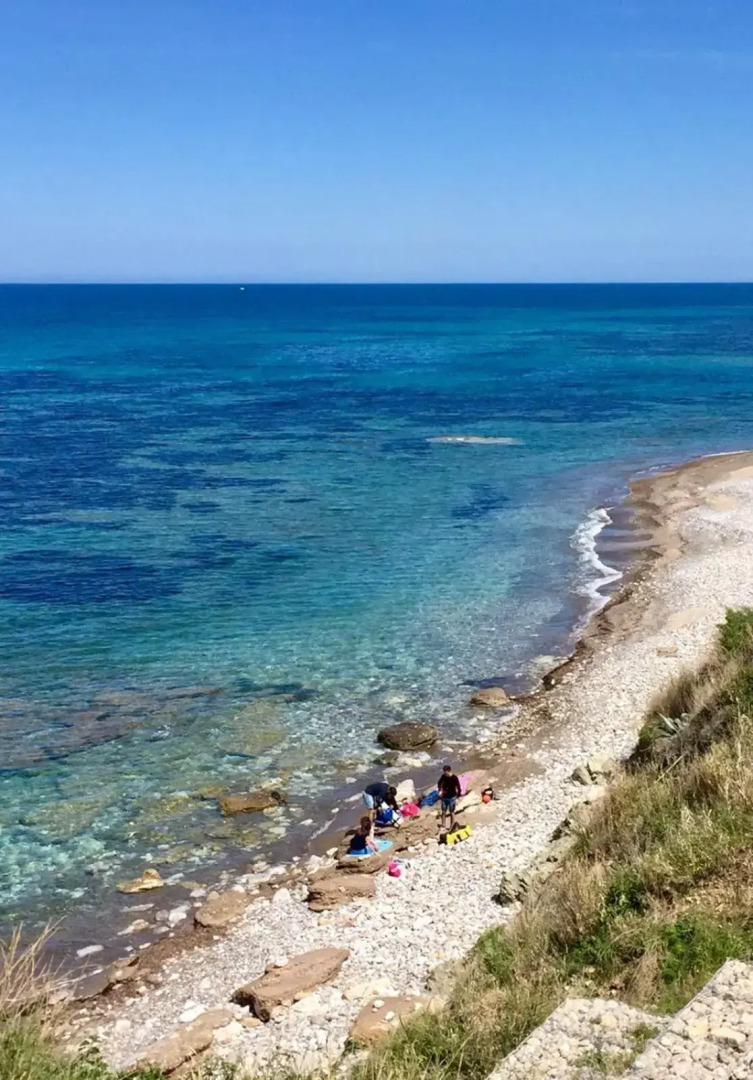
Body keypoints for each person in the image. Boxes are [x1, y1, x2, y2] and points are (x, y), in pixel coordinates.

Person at [437, 764, 462, 833]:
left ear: (449, 771)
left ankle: (452, 826)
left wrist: (459, 796)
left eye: (446, 772)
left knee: (452, 812)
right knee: (443, 811)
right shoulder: (443, 777)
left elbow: (458, 786)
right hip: (444, 796)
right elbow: (439, 783)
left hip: (452, 797)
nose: (445, 773)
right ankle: (443, 825)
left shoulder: (454, 778)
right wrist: (439, 790)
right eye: (444, 772)